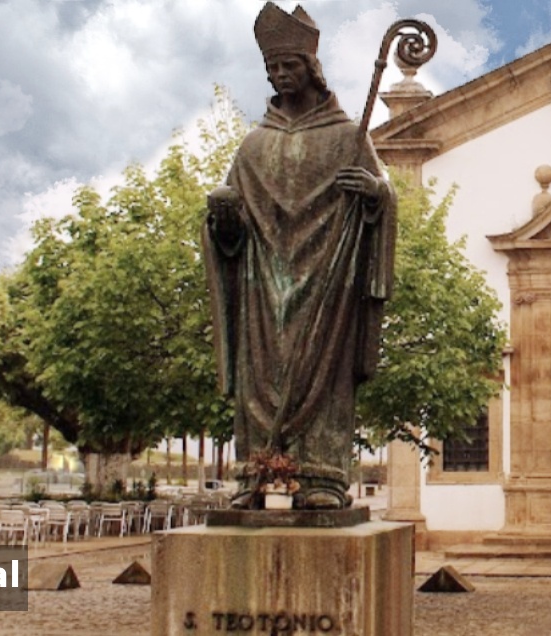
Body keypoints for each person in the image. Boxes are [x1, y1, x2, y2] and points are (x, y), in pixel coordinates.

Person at [203, 2, 396, 510]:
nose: (280, 74)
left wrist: (374, 194)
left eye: (289, 65)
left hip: (328, 281)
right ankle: (254, 475)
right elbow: (233, 232)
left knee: (324, 371)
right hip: (263, 287)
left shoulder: (347, 137)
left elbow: (382, 196)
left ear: (311, 68)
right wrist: (224, 220)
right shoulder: (253, 146)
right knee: (259, 374)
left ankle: (322, 478)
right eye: (272, 67)